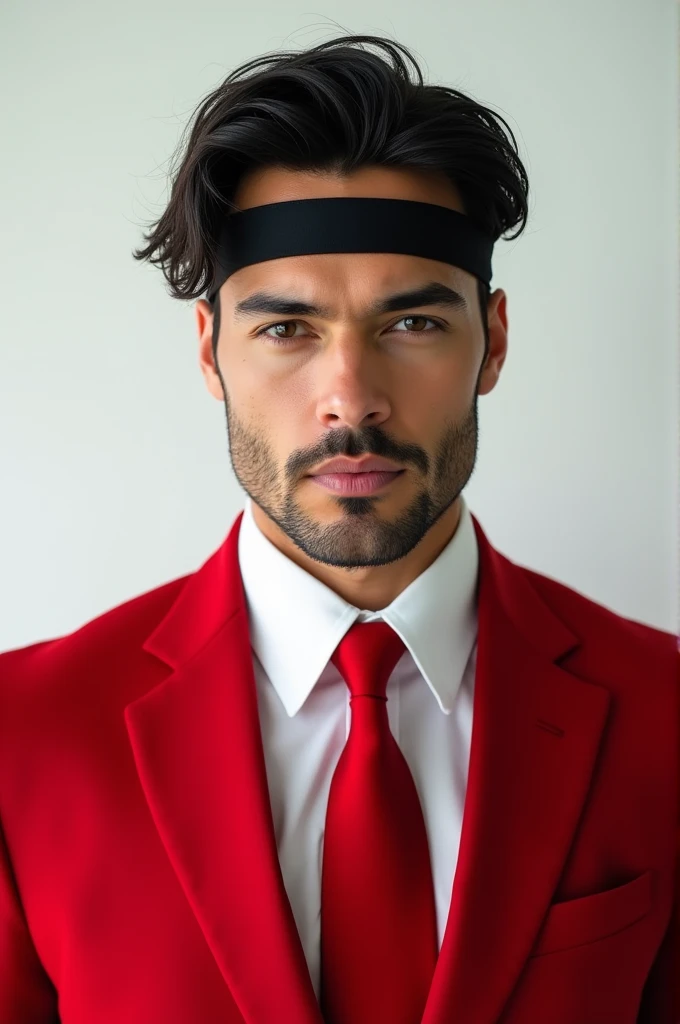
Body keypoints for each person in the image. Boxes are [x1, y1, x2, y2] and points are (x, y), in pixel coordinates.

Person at [0, 33, 677, 1024]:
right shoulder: (25, 738)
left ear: (490, 342)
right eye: (286, 328)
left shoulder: (661, 714)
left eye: (412, 323)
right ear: (209, 351)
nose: (349, 398)